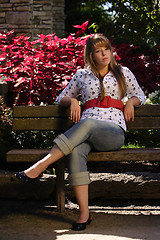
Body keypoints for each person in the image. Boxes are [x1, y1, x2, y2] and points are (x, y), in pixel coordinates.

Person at [16, 33, 145, 231]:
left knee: (89, 123)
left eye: (106, 49)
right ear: (91, 55)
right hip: (85, 131)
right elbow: (62, 98)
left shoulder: (123, 72)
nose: (104, 54)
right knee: (76, 151)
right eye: (98, 51)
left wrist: (131, 103)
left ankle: (41, 166)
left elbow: (139, 95)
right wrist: (74, 100)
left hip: (112, 132)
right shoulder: (82, 75)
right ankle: (84, 213)